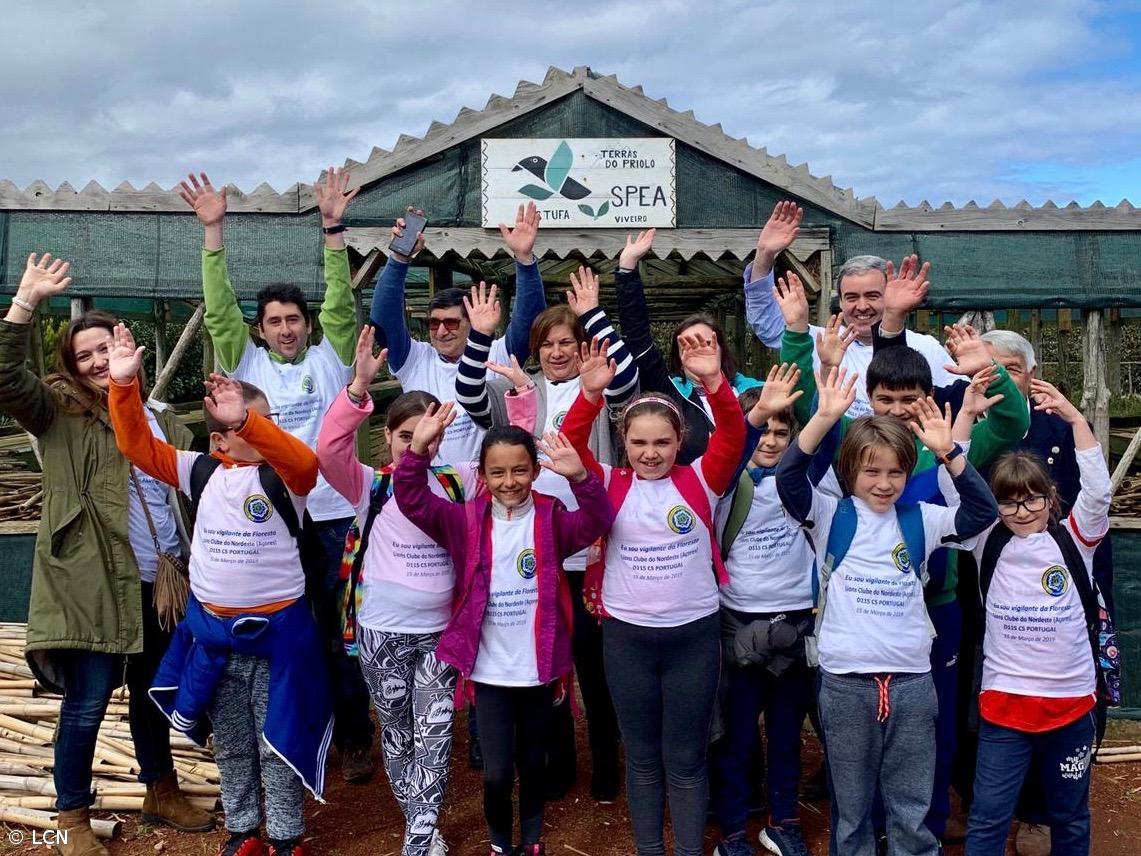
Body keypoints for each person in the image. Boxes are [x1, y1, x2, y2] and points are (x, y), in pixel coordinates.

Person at [0, 254, 213, 856]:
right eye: (85, 355)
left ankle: (160, 788)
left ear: (128, 349)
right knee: (88, 702)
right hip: (92, 583)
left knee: (153, 695)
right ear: (71, 366)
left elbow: (181, 498)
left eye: (106, 349)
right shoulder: (56, 413)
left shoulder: (163, 420)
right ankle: (71, 816)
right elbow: (4, 378)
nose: (97, 362)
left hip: (160, 583)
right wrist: (25, 303)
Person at [180, 169, 376, 783]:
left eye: (294, 318)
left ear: (307, 324)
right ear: (260, 329)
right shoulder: (244, 367)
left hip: (334, 518)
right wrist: (214, 234)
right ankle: (284, 739)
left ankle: (355, 735)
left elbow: (341, 302)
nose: (286, 328)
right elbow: (217, 313)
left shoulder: (329, 357)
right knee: (287, 636)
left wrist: (333, 229)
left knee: (341, 628)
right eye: (274, 321)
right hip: (270, 526)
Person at [106, 325, 330, 856]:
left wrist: (249, 420)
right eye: (252, 426)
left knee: (275, 738)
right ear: (218, 440)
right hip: (214, 639)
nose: (267, 433)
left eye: (266, 422)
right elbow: (136, 444)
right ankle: (244, 830)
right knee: (230, 741)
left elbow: (306, 462)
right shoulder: (200, 471)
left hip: (279, 639)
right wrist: (122, 386)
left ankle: (284, 835)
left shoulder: (284, 479)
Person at [775, 368, 998, 856]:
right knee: (851, 809)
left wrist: (949, 453)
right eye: (871, 471)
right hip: (845, 681)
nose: (884, 483)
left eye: (895, 472)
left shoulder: (923, 518)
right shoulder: (830, 514)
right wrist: (824, 418)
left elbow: (981, 514)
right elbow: (789, 478)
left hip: (912, 681)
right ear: (850, 470)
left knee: (911, 807)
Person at [393, 406, 613, 856]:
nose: (509, 481)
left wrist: (581, 479)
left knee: (534, 762)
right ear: (483, 474)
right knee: (496, 771)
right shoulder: (465, 521)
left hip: (538, 669)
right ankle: (499, 844)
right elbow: (413, 499)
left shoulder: (551, 518)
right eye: (497, 472)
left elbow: (596, 520)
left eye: (519, 470)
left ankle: (530, 842)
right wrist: (417, 450)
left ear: (534, 470)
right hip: (489, 672)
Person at [561, 333, 747, 856]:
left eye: (661, 443)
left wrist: (714, 381)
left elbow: (732, 434)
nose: (650, 453)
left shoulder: (701, 481)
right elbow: (571, 447)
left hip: (693, 636)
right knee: (641, 760)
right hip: (626, 638)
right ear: (624, 443)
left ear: (679, 440)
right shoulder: (608, 482)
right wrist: (590, 395)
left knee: (686, 761)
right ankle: (649, 849)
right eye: (639, 443)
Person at [456, 268, 637, 801]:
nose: (557, 353)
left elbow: (626, 379)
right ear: (535, 348)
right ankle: (557, 767)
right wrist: (481, 333)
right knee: (546, 666)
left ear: (582, 347)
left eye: (567, 342)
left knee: (595, 667)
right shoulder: (519, 386)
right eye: (548, 344)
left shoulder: (597, 389)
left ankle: (607, 767)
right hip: (530, 551)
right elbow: (468, 392)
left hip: (589, 550)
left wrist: (594, 317)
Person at [317, 328, 477, 856]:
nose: (418, 445)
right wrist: (358, 389)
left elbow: (517, 458)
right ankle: (418, 822)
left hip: (441, 633)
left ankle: (420, 832)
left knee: (433, 727)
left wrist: (521, 398)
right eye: (406, 436)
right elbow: (328, 449)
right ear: (387, 438)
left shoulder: (459, 481)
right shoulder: (370, 484)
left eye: (427, 434)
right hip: (381, 630)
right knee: (397, 729)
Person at [963, 379, 1111, 856]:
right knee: (987, 818)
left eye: (1032, 499)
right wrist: (963, 421)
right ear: (995, 504)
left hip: (1070, 704)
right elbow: (953, 486)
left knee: (1070, 817)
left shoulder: (1075, 538)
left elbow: (1099, 493)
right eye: (1009, 501)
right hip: (1004, 706)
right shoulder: (986, 538)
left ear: (1050, 498)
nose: (1022, 510)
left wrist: (1076, 420)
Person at [709, 365, 826, 856]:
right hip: (737, 621)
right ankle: (733, 830)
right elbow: (732, 455)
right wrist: (747, 422)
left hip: (796, 622)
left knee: (785, 735)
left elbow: (825, 436)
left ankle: (783, 821)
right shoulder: (723, 486)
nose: (773, 440)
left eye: (783, 431)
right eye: (765, 430)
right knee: (736, 740)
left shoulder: (808, 485)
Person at [371, 203, 548, 466]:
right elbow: (384, 320)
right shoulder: (416, 359)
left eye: (452, 323)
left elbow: (531, 324)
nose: (441, 331)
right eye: (434, 324)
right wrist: (399, 258)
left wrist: (524, 260)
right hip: (430, 482)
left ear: (471, 321)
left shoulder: (497, 353)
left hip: (487, 483)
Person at [745, 212, 957, 417]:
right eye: (852, 297)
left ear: (890, 295)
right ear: (841, 301)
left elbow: (957, 403)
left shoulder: (925, 348)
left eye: (873, 295)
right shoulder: (823, 342)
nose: (862, 306)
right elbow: (768, 326)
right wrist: (765, 254)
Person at [614, 229, 761, 465]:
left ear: (722, 347)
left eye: (705, 342)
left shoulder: (754, 392)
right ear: (678, 356)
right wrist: (627, 269)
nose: (696, 350)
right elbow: (638, 340)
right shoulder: (671, 395)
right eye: (686, 345)